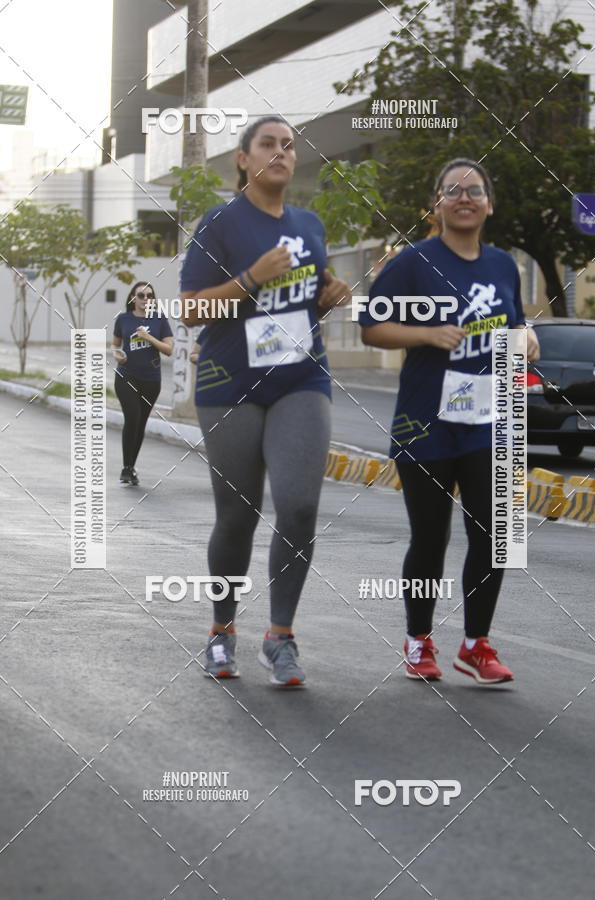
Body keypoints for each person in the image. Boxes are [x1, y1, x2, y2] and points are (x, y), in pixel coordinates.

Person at [180, 115, 349, 687]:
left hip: (301, 377)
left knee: (299, 506)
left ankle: (280, 638)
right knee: (239, 514)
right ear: (244, 160)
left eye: (289, 145)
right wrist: (251, 276)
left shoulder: (310, 224)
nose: (281, 152)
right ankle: (222, 631)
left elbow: (303, 305)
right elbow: (193, 309)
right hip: (229, 380)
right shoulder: (221, 223)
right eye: (268, 144)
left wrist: (328, 298)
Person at [360, 158, 540, 685]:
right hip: (427, 422)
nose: (465, 198)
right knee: (430, 538)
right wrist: (426, 334)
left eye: (475, 191)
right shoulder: (414, 262)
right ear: (436, 204)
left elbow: (515, 320)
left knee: (495, 534)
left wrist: (527, 336)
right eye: (453, 191)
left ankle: (475, 644)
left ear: (489, 203)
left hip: (491, 420)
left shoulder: (503, 264)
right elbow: (372, 325)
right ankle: (418, 640)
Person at [111, 281, 174, 485]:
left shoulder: (159, 320)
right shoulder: (123, 319)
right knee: (133, 418)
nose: (145, 299)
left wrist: (148, 337)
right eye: (141, 295)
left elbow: (168, 349)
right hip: (126, 375)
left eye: (149, 296)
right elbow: (115, 345)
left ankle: (130, 467)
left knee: (140, 424)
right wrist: (117, 355)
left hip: (151, 379)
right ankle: (126, 468)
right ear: (132, 298)